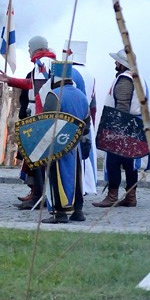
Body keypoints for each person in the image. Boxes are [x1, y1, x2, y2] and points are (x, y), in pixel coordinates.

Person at [0, 35, 55, 210]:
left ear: (35, 48)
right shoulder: (44, 63)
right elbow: (31, 84)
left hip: (39, 116)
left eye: (29, 48)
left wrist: (38, 120)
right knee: (32, 157)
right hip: (38, 115)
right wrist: (10, 80)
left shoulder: (42, 63)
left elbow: (41, 91)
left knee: (36, 157)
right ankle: (35, 192)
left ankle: (38, 195)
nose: (28, 51)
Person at [93, 49, 147, 208]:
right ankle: (131, 197)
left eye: (117, 61)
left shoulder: (125, 80)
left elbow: (122, 107)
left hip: (123, 126)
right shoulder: (137, 77)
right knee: (130, 163)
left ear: (123, 64)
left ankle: (112, 196)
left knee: (113, 162)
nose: (115, 63)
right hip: (134, 125)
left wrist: (115, 132)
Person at [40, 60, 91, 223]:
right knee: (76, 177)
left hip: (57, 146)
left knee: (57, 176)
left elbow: (46, 124)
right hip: (75, 145)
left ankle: (59, 213)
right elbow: (87, 124)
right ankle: (78, 210)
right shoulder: (81, 96)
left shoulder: (54, 95)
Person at [63, 40, 98, 198]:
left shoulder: (72, 72)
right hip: (86, 118)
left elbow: (72, 97)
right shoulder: (89, 73)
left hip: (74, 120)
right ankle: (87, 185)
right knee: (86, 155)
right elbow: (93, 103)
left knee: (75, 157)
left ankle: (77, 187)